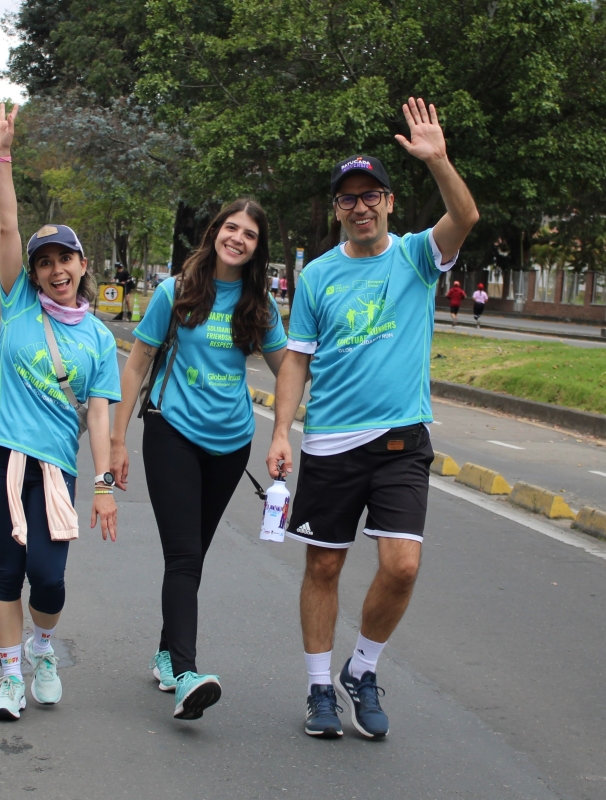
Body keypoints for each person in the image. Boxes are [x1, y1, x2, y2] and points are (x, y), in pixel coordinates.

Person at [266, 97, 479, 740]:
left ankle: (364, 669)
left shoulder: (416, 256)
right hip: (330, 442)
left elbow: (465, 215)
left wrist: (438, 159)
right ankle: (318, 688)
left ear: (388, 201)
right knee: (323, 567)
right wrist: (280, 430)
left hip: (401, 439)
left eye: (371, 195)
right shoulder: (318, 277)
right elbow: (297, 361)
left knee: (402, 565)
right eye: (348, 198)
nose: (360, 206)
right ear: (337, 209)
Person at [0, 103, 121, 722]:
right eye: (44, 263)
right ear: (32, 274)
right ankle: (8, 679)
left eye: (65, 260)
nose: (56, 270)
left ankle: (43, 649)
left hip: (55, 469)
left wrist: (103, 485)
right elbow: (7, 226)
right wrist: (2, 153)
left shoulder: (101, 341)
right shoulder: (21, 305)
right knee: (8, 570)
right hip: (0, 455)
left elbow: (102, 417)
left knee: (48, 579)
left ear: (83, 266)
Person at [111, 198, 287, 722]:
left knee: (193, 554)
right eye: (231, 228)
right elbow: (137, 363)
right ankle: (187, 673)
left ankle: (167, 654)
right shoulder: (176, 291)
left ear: (258, 248)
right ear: (215, 233)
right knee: (185, 555)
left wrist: (285, 431)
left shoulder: (260, 306)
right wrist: (117, 442)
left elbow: (290, 370)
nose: (237, 238)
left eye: (249, 234)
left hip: (232, 443)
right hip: (173, 432)